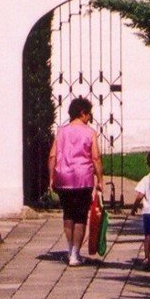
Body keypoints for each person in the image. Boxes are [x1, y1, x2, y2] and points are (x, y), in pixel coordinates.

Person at [48, 96, 104, 267]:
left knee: (68, 214)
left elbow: (52, 155)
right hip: (82, 178)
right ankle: (75, 254)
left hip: (63, 177)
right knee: (80, 216)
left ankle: (69, 248)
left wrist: (52, 177)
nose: (89, 118)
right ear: (82, 113)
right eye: (89, 114)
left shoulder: (61, 132)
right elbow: (95, 157)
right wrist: (100, 179)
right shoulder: (90, 133)